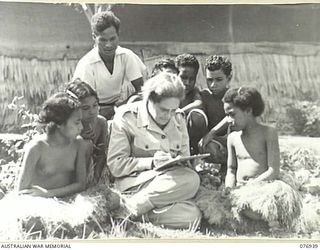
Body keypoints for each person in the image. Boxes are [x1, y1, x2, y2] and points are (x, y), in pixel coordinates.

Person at [107, 72, 201, 229]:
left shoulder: (178, 117)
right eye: (164, 110)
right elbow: (116, 165)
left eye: (173, 110)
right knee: (191, 180)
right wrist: (151, 163)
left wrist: (187, 163)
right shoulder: (126, 117)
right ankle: (131, 208)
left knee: (193, 217)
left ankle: (130, 211)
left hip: (170, 184)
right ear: (149, 100)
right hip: (135, 185)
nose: (169, 115)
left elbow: (185, 160)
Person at [223, 86, 301, 229]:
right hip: (240, 188)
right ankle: (255, 217)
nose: (228, 120)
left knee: (260, 207)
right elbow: (231, 169)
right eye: (226, 115)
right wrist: (229, 188)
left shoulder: (268, 133)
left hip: (264, 187)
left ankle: (267, 218)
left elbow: (273, 170)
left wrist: (252, 185)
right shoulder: (233, 138)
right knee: (228, 206)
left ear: (248, 110)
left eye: (232, 114)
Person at [73, 10, 147, 120]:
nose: (108, 45)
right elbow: (84, 101)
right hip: (93, 111)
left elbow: (142, 90)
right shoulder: (87, 64)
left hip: (121, 106)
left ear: (118, 35)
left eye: (112, 39)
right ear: (94, 37)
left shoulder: (126, 56)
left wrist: (119, 107)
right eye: (103, 40)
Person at [17, 92, 87, 198]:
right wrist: (43, 196)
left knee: (113, 199)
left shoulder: (78, 143)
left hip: (67, 199)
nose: (81, 127)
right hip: (39, 201)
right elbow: (22, 190)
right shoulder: (37, 147)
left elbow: (81, 184)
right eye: (77, 122)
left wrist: (49, 194)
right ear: (59, 123)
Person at [65, 79, 107, 186]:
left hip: (91, 172)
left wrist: (96, 180)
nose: (92, 111)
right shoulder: (66, 126)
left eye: (95, 105)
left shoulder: (101, 123)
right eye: (85, 108)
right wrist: (78, 138)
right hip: (69, 172)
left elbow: (101, 153)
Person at [197, 55, 233, 180]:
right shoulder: (204, 95)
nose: (213, 85)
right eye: (209, 80)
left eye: (218, 80)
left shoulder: (233, 95)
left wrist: (212, 133)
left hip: (231, 141)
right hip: (211, 143)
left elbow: (232, 115)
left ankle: (229, 168)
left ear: (229, 78)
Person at [175, 54, 205, 154]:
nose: (187, 82)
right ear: (175, 75)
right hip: (169, 131)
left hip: (187, 133)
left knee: (197, 116)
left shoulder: (194, 91)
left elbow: (198, 103)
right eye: (183, 77)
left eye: (192, 79)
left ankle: (194, 152)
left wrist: (179, 112)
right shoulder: (170, 90)